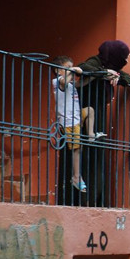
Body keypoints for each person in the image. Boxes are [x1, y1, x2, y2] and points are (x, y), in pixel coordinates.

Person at [77, 40, 130, 206]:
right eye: (125, 57)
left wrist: (115, 74)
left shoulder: (113, 67)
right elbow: (83, 68)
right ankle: (83, 199)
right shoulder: (95, 61)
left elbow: (127, 78)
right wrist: (103, 72)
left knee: (98, 157)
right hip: (85, 114)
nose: (126, 61)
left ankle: (95, 198)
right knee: (86, 155)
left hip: (99, 116)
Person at [52, 56, 96, 194]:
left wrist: (93, 75)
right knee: (76, 148)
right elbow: (65, 81)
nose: (71, 70)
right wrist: (74, 70)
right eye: (67, 68)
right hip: (68, 121)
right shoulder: (58, 81)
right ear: (58, 71)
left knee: (89, 111)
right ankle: (76, 177)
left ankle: (90, 135)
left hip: (76, 117)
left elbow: (80, 84)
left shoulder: (70, 84)